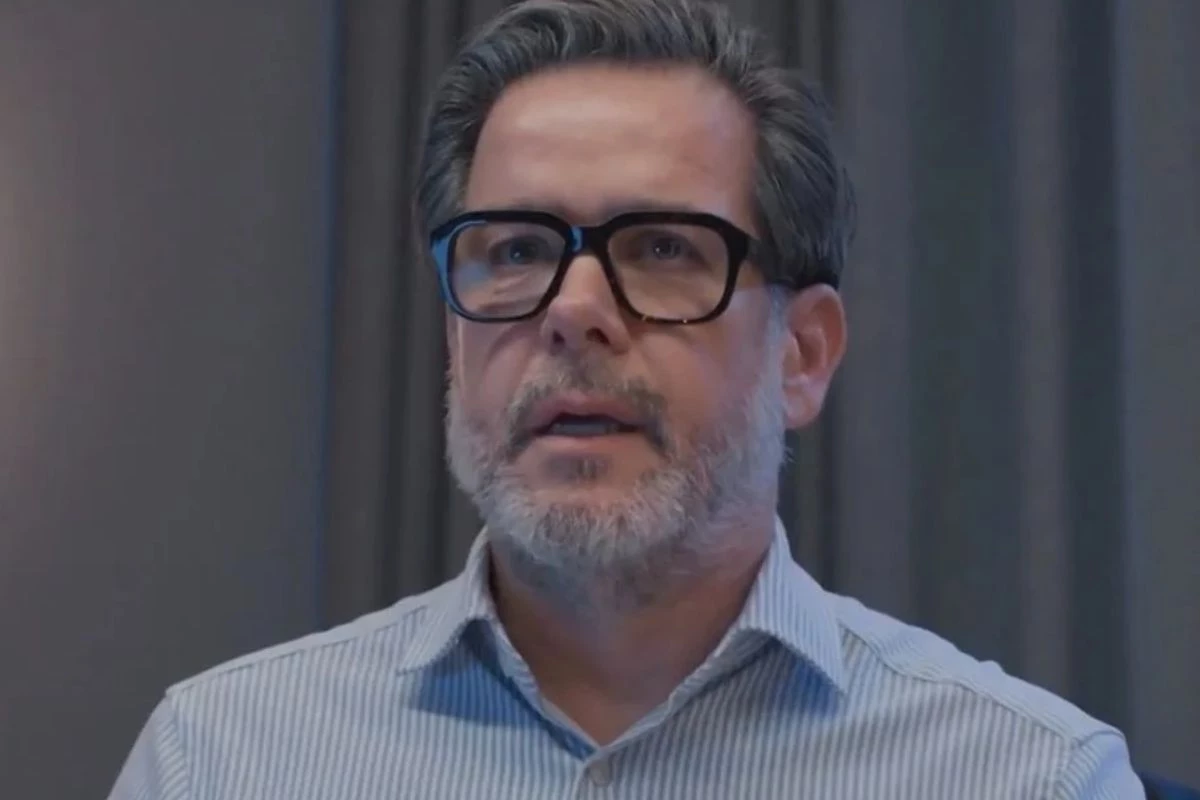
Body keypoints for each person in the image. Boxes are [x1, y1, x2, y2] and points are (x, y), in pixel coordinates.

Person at [110, 0, 1143, 797]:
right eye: (516, 250)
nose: (573, 311)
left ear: (803, 354)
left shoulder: (1034, 776)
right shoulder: (223, 758)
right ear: (454, 336)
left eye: (662, 249)